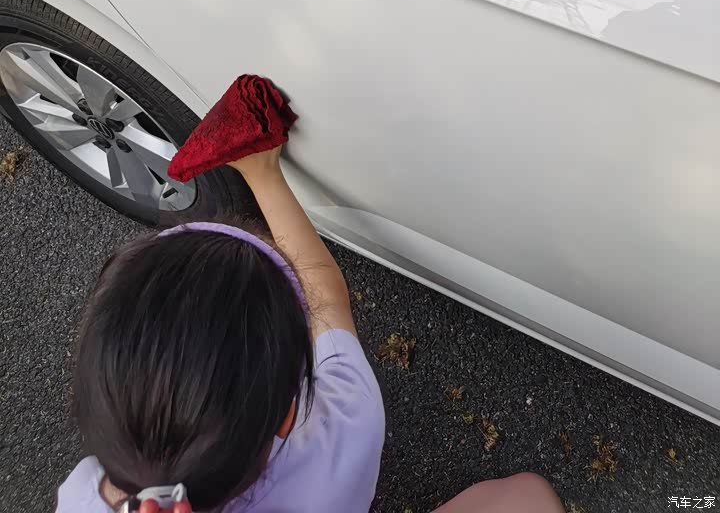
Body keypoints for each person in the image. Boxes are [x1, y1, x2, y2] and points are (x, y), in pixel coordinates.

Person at [55, 146, 564, 513]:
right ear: (287, 415)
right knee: (527, 498)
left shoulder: (79, 498)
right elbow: (327, 298)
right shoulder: (343, 432)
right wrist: (262, 172)